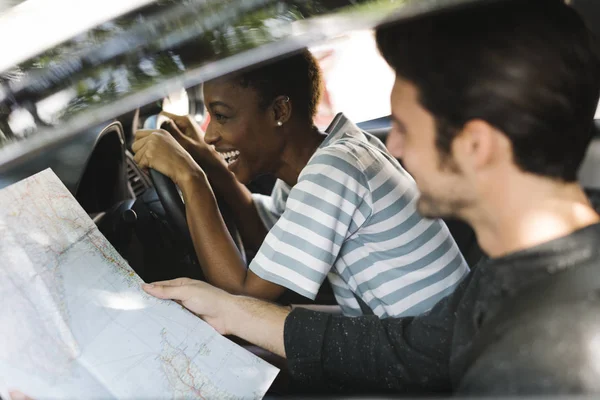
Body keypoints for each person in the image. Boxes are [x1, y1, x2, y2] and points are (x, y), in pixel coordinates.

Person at [142, 0, 600, 394]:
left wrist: (194, 181)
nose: (392, 148)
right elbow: (411, 347)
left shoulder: (545, 361)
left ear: (474, 146)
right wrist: (233, 312)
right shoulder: (506, 277)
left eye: (403, 127)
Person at [133, 50, 469, 318]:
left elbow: (239, 299)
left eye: (222, 116)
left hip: (432, 352)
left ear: (279, 110)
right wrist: (205, 160)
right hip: (411, 333)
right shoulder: (329, 155)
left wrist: (191, 180)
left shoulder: (334, 171)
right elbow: (267, 236)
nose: (210, 134)